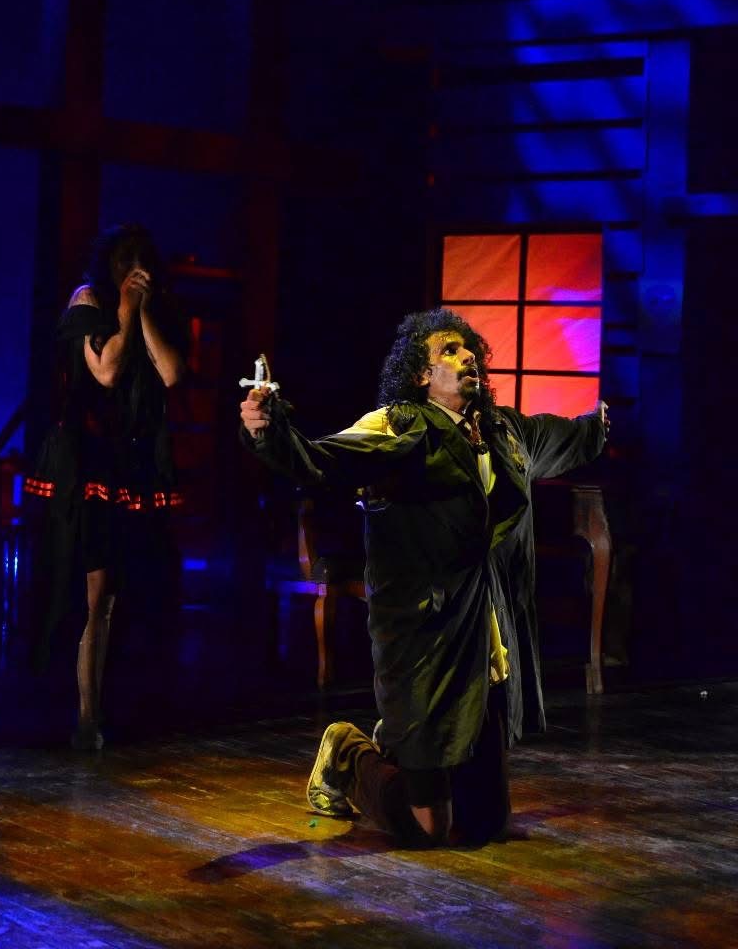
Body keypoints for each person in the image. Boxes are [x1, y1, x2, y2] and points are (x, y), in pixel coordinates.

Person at [240, 308, 608, 847]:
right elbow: (322, 460)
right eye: (448, 351)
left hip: (485, 640)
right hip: (425, 636)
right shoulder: (399, 423)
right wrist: (268, 430)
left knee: (484, 824)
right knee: (425, 827)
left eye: (469, 349)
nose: (466, 357)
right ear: (420, 374)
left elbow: (567, 438)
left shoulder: (505, 433)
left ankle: (410, 759)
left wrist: (599, 424)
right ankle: (348, 753)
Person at [26, 224, 188, 750]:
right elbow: (107, 370)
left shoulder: (151, 308)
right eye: (125, 259)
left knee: (116, 590)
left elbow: (170, 374)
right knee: (89, 588)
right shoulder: (88, 298)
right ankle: (82, 714)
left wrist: (142, 312)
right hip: (84, 461)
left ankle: (102, 707)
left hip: (127, 461)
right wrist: (124, 306)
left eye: (142, 259)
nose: (134, 269)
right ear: (107, 262)